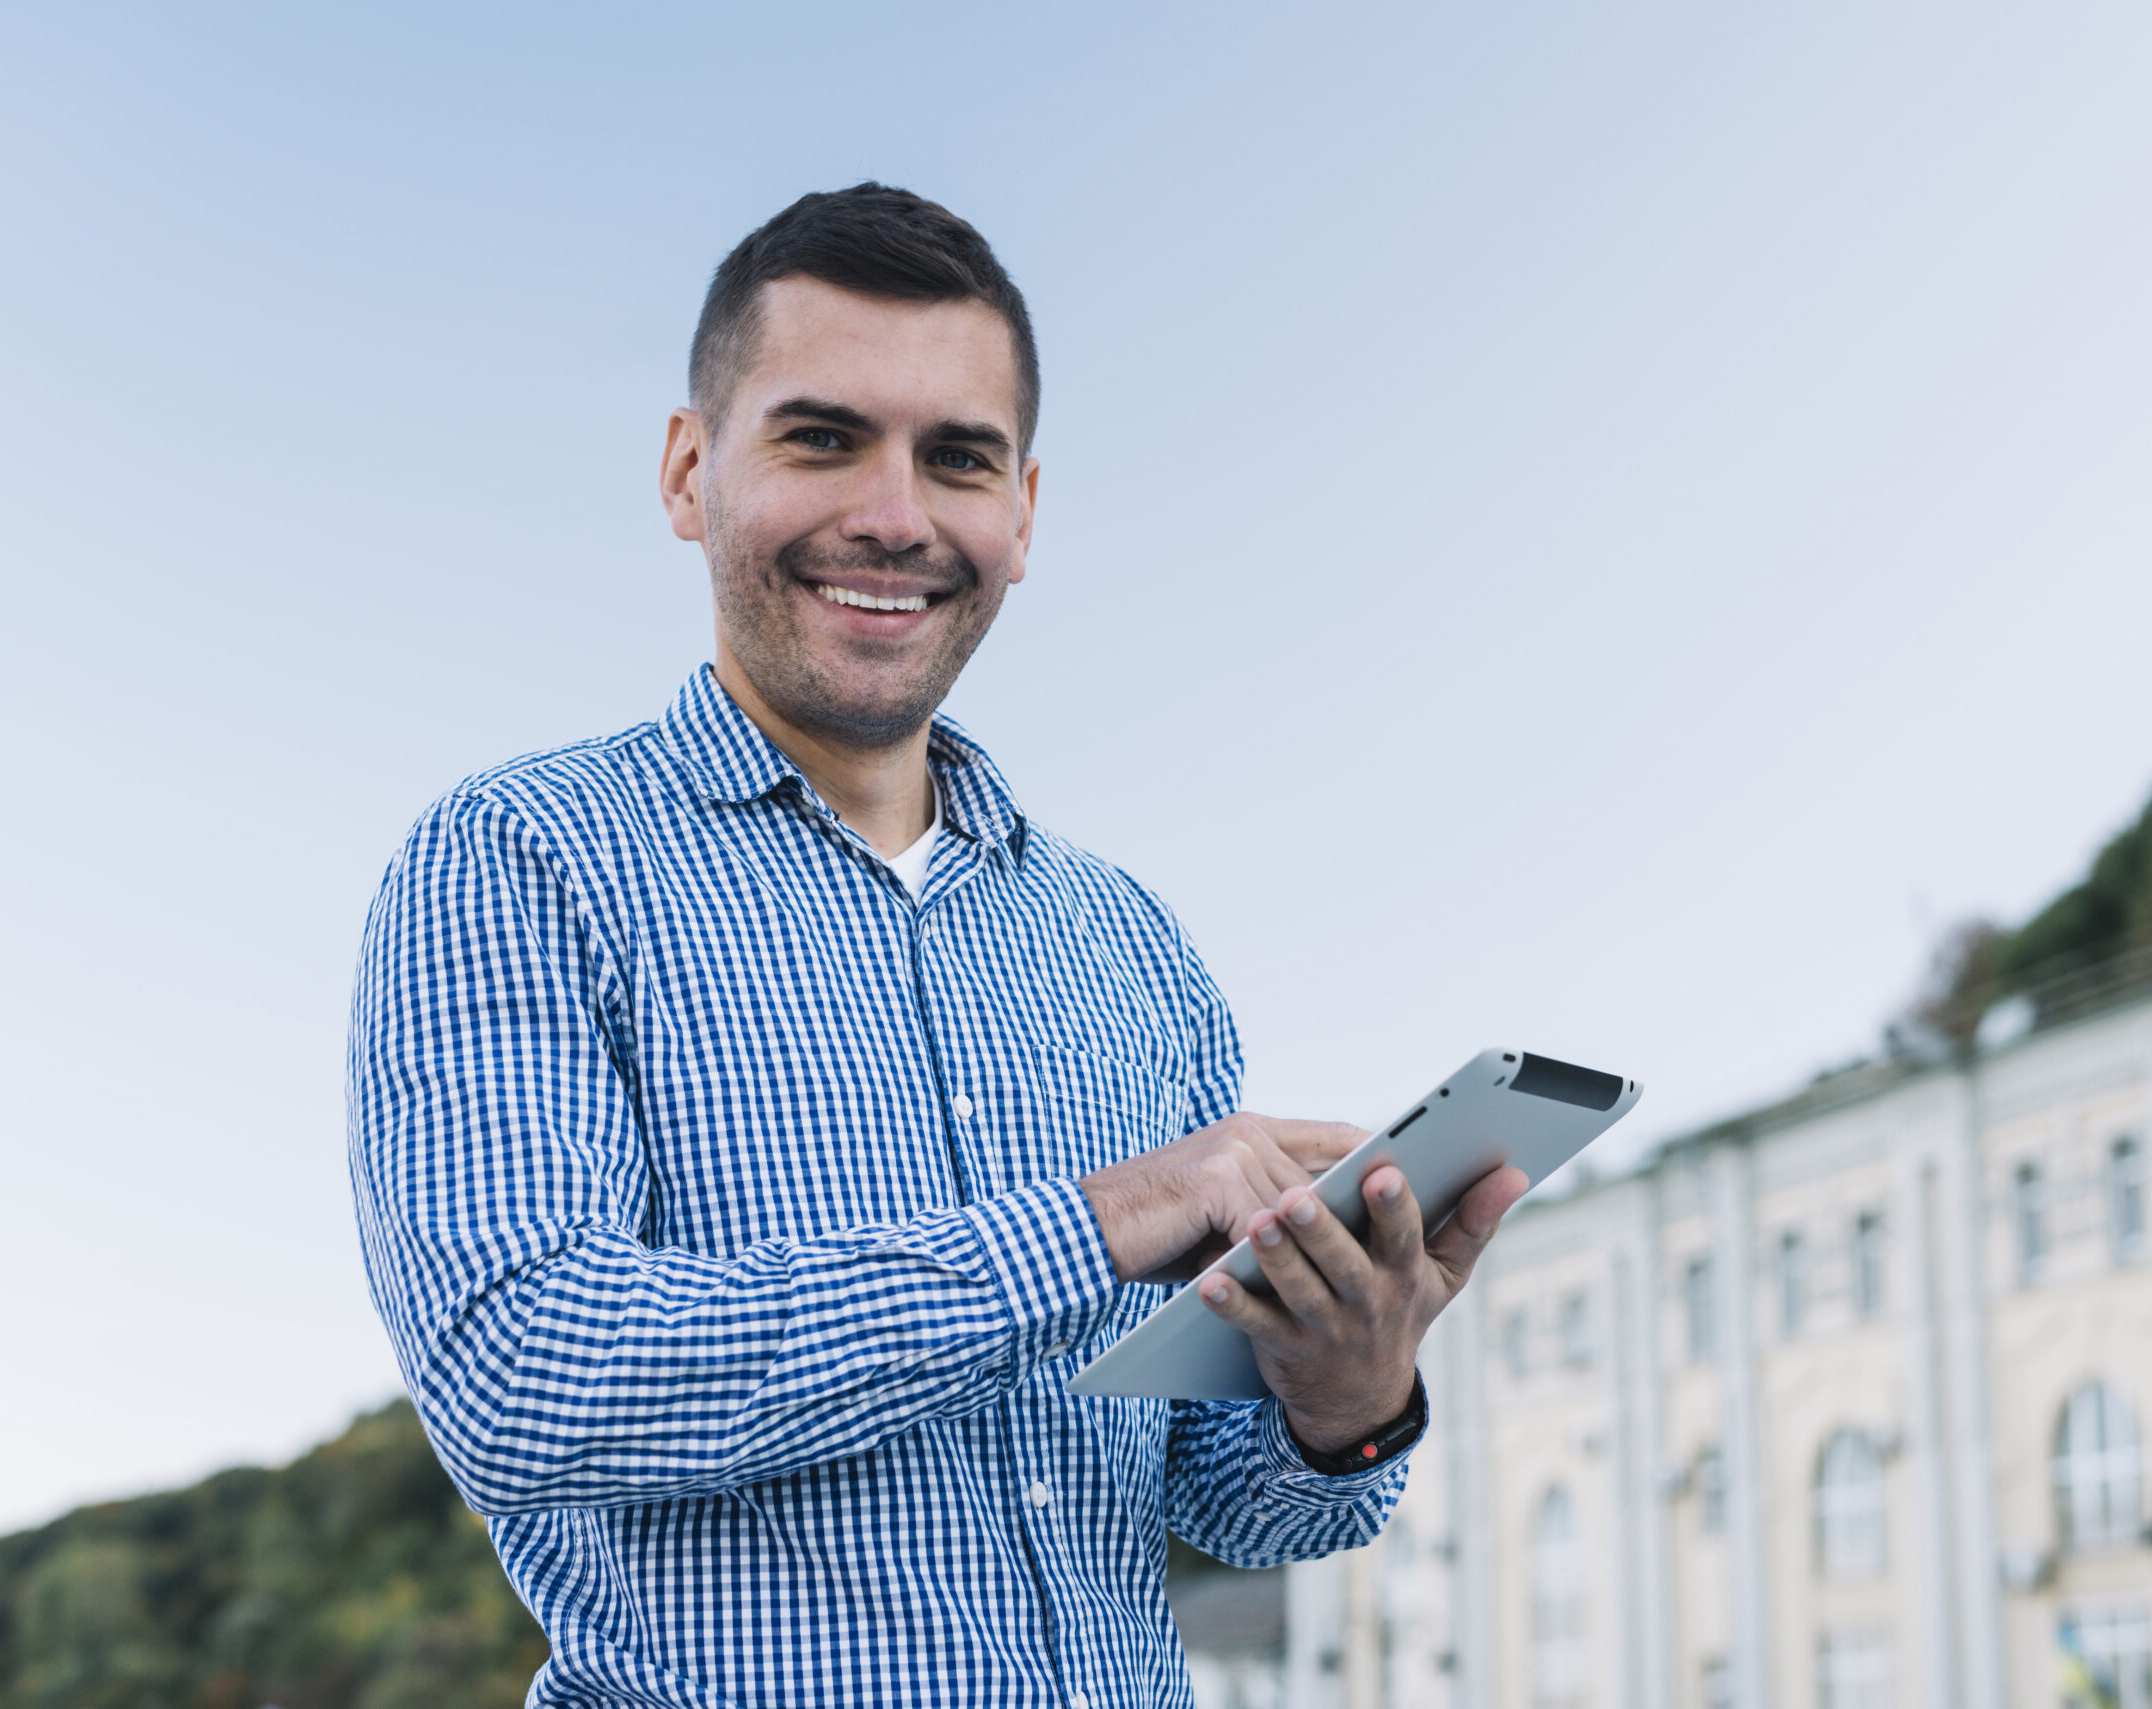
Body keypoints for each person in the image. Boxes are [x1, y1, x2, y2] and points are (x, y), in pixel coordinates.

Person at [347, 183, 1527, 1708]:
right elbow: (526, 1381)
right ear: (689, 469)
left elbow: (1223, 1499)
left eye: (956, 457)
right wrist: (1096, 1220)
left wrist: (1344, 1398)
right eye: (821, 436)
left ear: (1023, 513)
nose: (895, 515)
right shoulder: (521, 860)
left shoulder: (1129, 947)